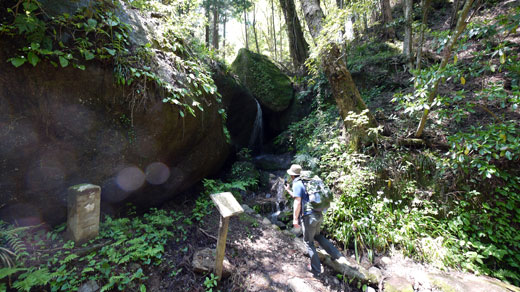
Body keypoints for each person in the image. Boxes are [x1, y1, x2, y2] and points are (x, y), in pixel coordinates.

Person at [284, 164, 345, 276]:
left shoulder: (297, 183)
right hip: (318, 214)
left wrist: (295, 219)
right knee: (318, 236)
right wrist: (288, 190)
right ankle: (337, 255)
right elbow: (300, 197)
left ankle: (316, 270)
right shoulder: (307, 181)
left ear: (292, 175)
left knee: (308, 243)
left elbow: (298, 202)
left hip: (309, 217)